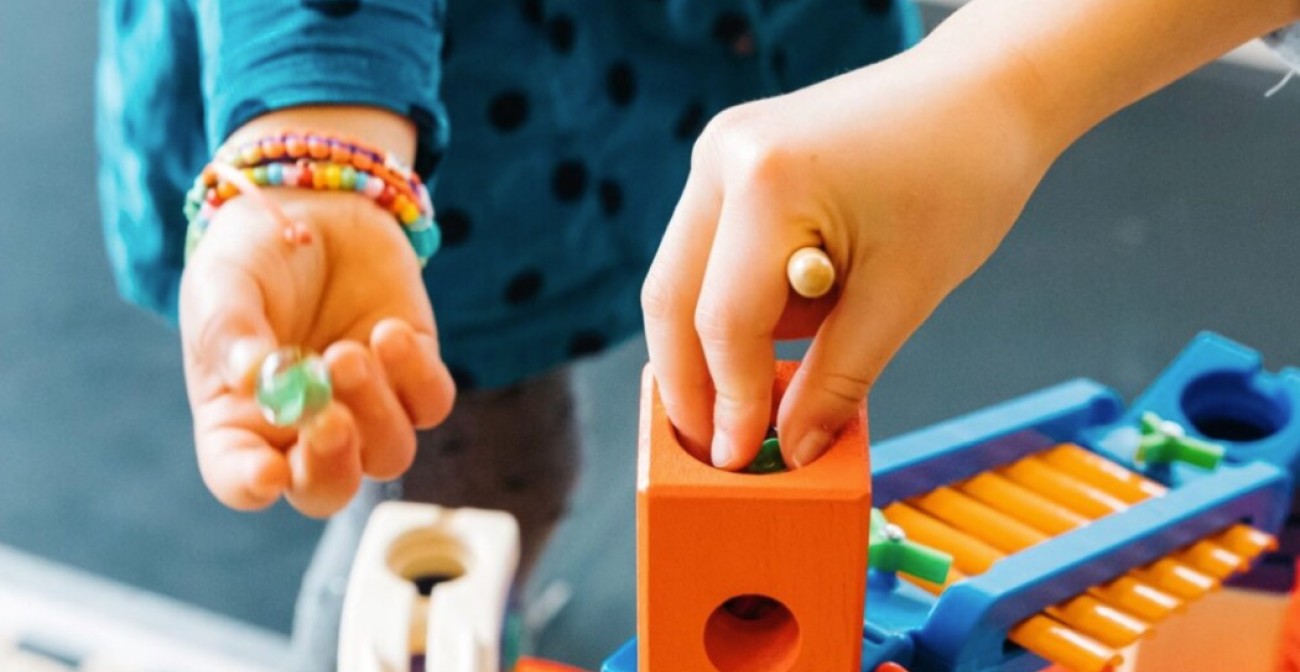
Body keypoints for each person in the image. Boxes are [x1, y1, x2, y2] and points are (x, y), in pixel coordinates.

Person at [96, 0, 1300, 668]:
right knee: (459, 466)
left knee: (723, 339)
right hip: (469, 144)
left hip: (774, 73)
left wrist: (998, 83)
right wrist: (322, 145)